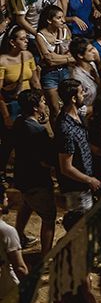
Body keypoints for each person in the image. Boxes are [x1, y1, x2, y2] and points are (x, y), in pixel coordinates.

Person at [12, 89, 55, 257]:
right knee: (49, 218)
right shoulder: (38, 131)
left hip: (21, 176)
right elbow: (45, 161)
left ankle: (18, 236)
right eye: (43, 102)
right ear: (36, 107)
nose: (45, 104)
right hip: (37, 180)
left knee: (26, 205)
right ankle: (46, 256)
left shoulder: (19, 121)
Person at [55, 79, 100, 229]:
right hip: (76, 188)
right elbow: (66, 167)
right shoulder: (65, 129)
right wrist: (89, 180)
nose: (85, 94)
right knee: (81, 226)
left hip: (84, 184)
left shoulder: (77, 116)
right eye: (81, 92)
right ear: (73, 98)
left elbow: (84, 145)